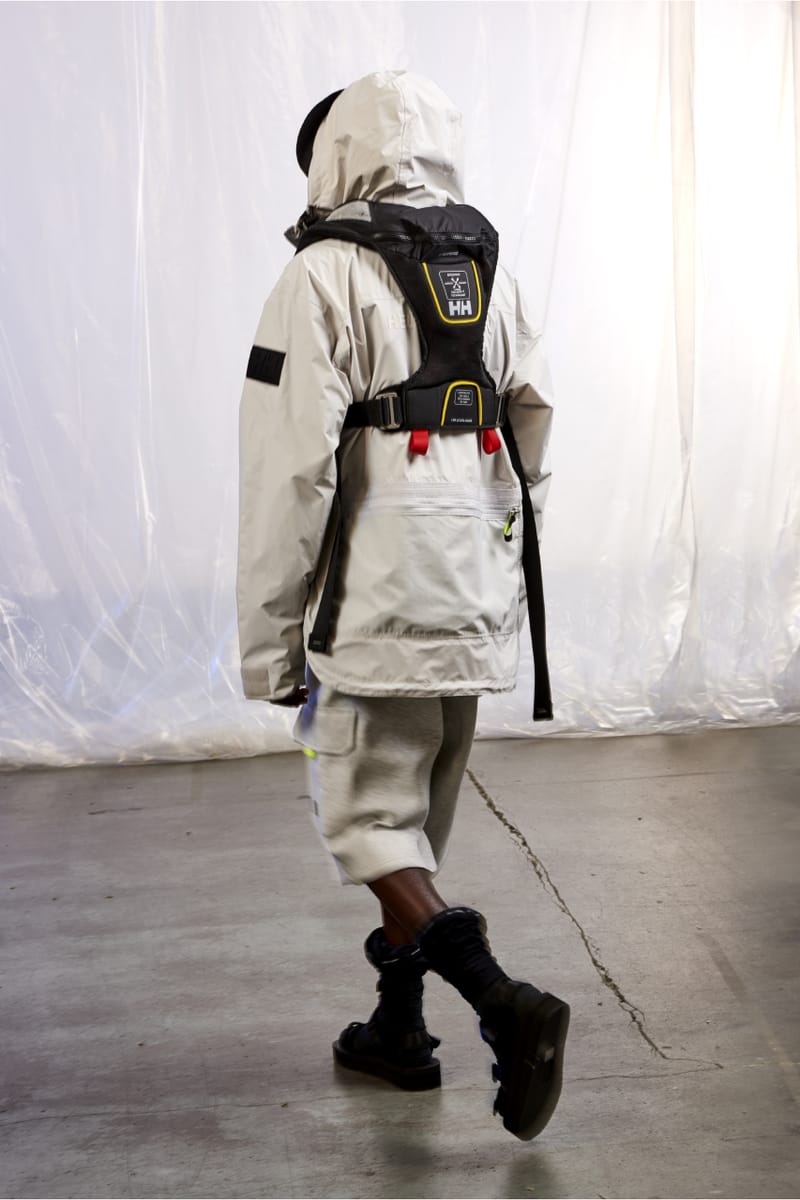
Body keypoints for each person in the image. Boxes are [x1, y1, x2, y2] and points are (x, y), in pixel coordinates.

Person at [236, 69, 569, 1141]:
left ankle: (503, 1003)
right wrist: (497, 561)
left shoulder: (321, 275)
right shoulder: (491, 271)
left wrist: (270, 645)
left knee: (371, 827)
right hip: (473, 589)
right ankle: (397, 1030)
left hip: (373, 603)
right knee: (414, 827)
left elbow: (287, 476)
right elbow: (532, 431)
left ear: (334, 158)